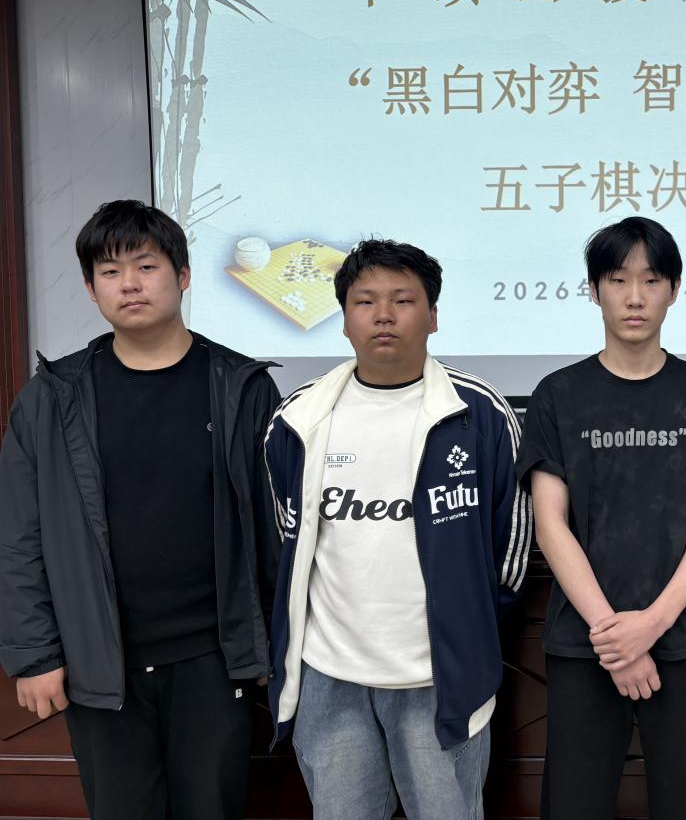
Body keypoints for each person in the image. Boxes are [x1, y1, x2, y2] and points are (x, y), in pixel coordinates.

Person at [0, 200, 280, 820]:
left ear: (183, 276)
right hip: (101, 662)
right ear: (90, 289)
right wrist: (36, 657)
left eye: (146, 266)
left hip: (212, 659)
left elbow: (273, 529)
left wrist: (270, 644)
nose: (129, 283)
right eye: (109, 271)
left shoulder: (241, 387)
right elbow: (17, 536)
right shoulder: (51, 399)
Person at [265, 238, 531, 820]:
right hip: (329, 676)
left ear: (432, 315)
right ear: (344, 320)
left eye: (403, 300)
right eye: (365, 302)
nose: (383, 315)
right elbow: (285, 541)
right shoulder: (299, 417)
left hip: (439, 676)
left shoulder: (479, 413)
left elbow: (511, 548)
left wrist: (468, 630)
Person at [516, 217, 686, 820]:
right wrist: (614, 636)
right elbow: (550, 523)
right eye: (618, 280)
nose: (635, 297)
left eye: (651, 280)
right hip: (584, 644)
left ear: (674, 289)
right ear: (594, 290)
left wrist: (651, 625)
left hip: (683, 640)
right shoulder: (557, 394)